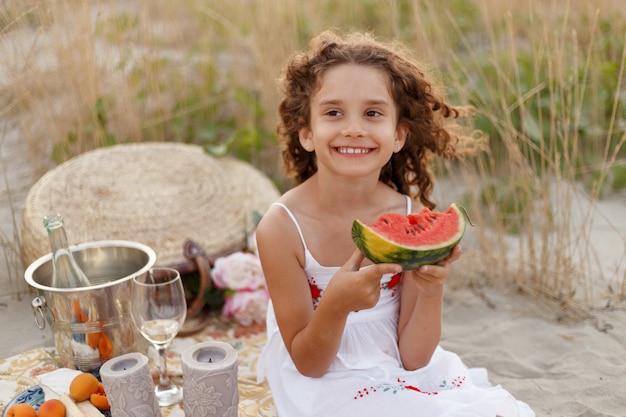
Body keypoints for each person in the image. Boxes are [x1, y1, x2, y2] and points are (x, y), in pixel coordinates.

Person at [256, 30, 534, 417]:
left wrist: (431, 290)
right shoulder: (281, 228)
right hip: (324, 370)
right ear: (306, 134)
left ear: (399, 135)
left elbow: (415, 358)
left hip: (396, 364)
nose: (354, 128)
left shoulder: (409, 213)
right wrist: (336, 305)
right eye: (334, 112)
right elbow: (309, 363)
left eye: (373, 113)